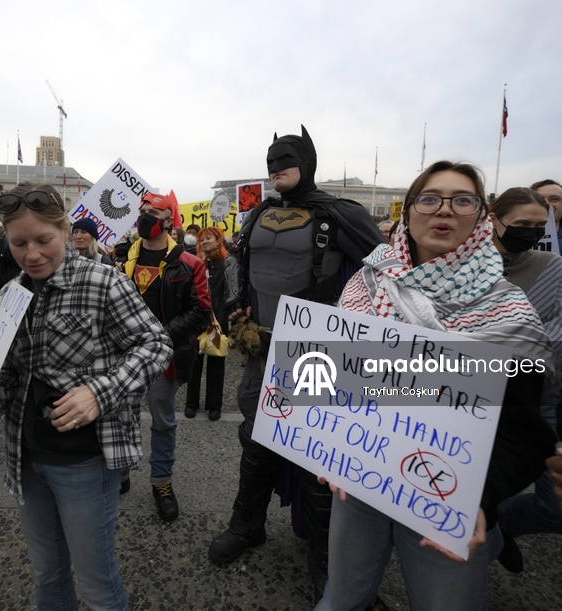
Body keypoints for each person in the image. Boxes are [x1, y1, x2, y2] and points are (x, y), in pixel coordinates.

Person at [316, 161, 557, 611]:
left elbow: (526, 432)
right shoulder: (365, 286)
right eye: (430, 198)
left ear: (481, 218)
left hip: (448, 496)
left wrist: (480, 498)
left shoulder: (507, 310)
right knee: (340, 600)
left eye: (462, 200)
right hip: (360, 479)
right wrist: (325, 442)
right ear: (408, 212)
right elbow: (336, 379)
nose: (443, 209)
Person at [0, 182, 173, 611]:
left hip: (85, 461)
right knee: (47, 573)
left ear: (65, 231)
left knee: (96, 582)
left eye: (44, 240)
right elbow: (10, 369)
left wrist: (99, 393)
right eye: (19, 243)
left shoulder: (103, 282)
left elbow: (156, 345)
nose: (32, 253)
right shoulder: (10, 294)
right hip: (26, 454)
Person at [208, 126, 384, 601]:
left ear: (305, 161)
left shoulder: (339, 213)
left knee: (318, 455)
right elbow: (238, 267)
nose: (275, 167)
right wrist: (234, 304)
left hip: (316, 355)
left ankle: (327, 562)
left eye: (285, 159)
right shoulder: (260, 213)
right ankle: (248, 526)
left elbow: (389, 271)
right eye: (270, 161)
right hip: (261, 349)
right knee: (257, 439)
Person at [486, 188, 562, 572]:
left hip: (536, 395)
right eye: (522, 225)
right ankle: (487, 527)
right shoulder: (462, 264)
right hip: (474, 395)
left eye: (540, 226)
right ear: (493, 218)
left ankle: (500, 521)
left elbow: (559, 336)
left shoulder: (551, 266)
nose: (531, 232)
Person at [123, 191, 211, 520]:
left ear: (168, 220)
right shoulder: (124, 260)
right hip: (125, 355)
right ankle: (120, 471)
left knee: (161, 420)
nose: (144, 215)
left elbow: (201, 312)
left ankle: (161, 481)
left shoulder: (191, 264)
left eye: (152, 211)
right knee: (121, 414)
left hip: (163, 357)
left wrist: (160, 334)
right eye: (142, 209)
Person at [185, 226, 239, 421]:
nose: (204, 242)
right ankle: (191, 403)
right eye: (202, 239)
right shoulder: (194, 263)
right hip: (196, 319)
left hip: (218, 320)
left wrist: (223, 317)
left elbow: (232, 292)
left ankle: (214, 406)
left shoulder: (228, 263)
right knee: (194, 362)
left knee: (216, 363)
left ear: (219, 241)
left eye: (209, 238)